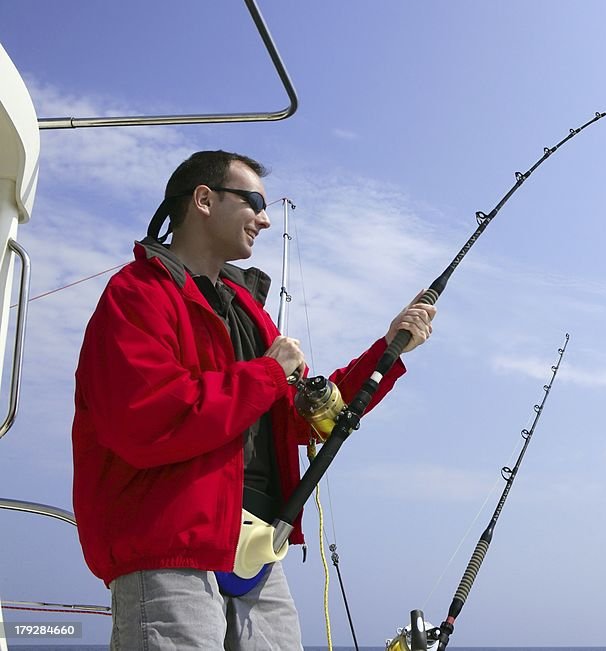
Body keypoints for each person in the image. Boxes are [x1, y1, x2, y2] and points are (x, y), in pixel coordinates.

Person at [71, 150, 436, 650]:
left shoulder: (247, 310)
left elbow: (308, 416)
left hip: (259, 553)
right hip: (170, 551)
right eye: (254, 202)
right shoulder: (136, 295)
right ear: (204, 199)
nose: (266, 219)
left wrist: (389, 349)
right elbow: (148, 419)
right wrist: (267, 373)